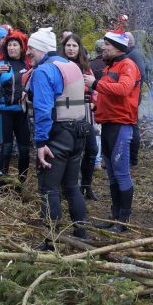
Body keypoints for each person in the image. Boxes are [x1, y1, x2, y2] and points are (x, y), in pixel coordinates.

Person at [26, 27, 89, 247]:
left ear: (41, 49)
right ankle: (82, 234)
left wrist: (41, 143)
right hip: (79, 132)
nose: (28, 53)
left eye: (31, 49)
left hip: (58, 135)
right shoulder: (71, 65)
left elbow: (43, 110)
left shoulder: (44, 71)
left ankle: (51, 240)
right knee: (72, 186)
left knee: (48, 188)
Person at [85, 30, 141, 232]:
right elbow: (108, 94)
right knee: (112, 175)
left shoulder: (128, 65)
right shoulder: (110, 67)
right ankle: (115, 217)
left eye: (107, 45)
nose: (103, 48)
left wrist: (96, 84)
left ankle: (123, 222)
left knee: (121, 173)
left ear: (117, 47)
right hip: (108, 124)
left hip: (121, 126)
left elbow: (124, 89)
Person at [60, 34, 98, 200]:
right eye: (68, 45)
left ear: (79, 48)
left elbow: (94, 87)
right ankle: (68, 187)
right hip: (66, 112)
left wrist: (94, 101)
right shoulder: (58, 65)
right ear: (63, 47)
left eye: (74, 46)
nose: (71, 49)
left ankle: (86, 186)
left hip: (85, 111)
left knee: (92, 150)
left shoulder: (85, 67)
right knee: (69, 151)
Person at [0, 29, 32, 183]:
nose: (11, 48)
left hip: (21, 111)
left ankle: (22, 180)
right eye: (9, 45)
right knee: (6, 147)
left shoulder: (27, 65)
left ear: (21, 48)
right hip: (3, 111)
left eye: (15, 45)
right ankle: (2, 180)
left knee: (24, 148)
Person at [125, 32, 146, 167]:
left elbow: (141, 75)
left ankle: (132, 159)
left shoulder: (134, 55)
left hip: (132, 97)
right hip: (131, 97)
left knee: (133, 126)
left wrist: (132, 91)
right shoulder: (132, 54)